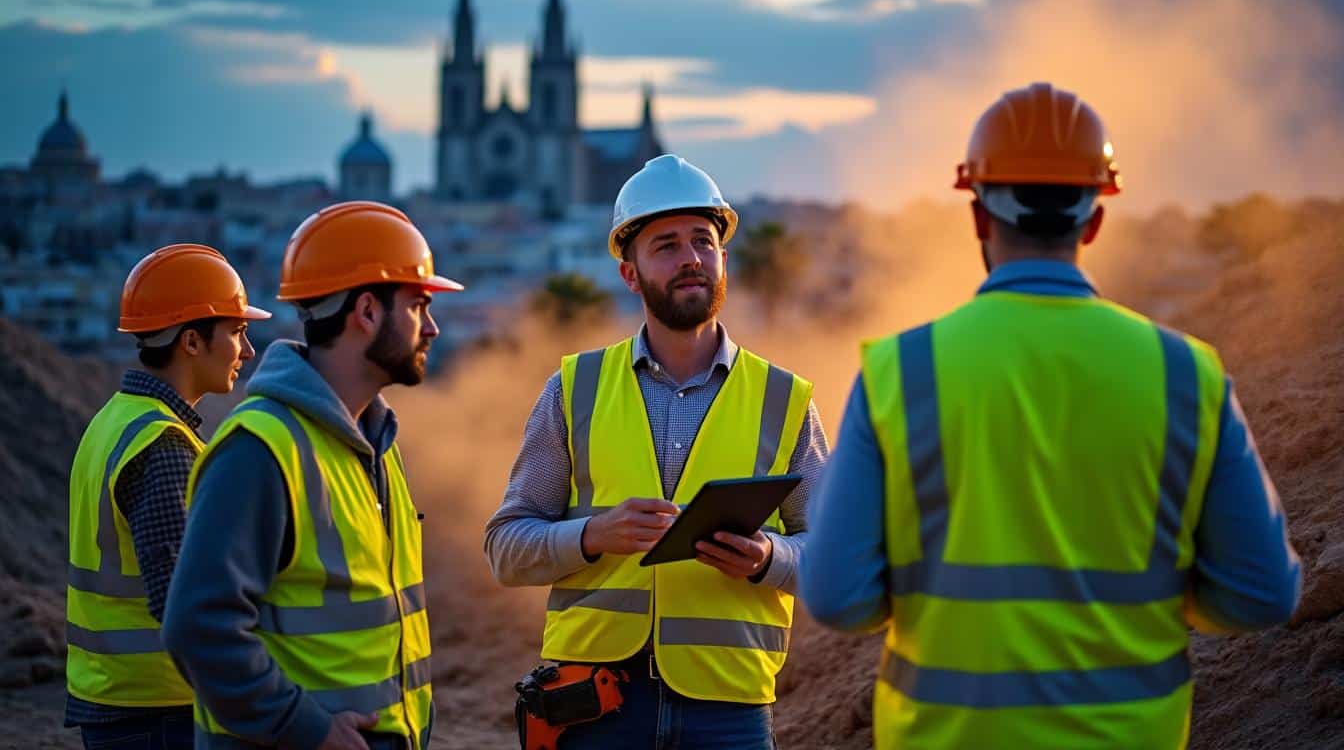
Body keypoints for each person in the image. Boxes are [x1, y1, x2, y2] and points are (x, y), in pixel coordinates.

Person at [800, 82, 1302, 749]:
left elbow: (837, 597)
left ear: (978, 216)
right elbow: (1261, 594)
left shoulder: (901, 371)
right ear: (1093, 220)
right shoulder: (1187, 375)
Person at [485, 154, 829, 749]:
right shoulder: (574, 390)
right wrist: (593, 536)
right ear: (630, 273)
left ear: (724, 259)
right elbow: (505, 549)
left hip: (730, 713)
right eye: (665, 245)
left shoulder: (785, 400)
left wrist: (767, 557)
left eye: (703, 240)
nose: (691, 257)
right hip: (594, 707)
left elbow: (831, 555)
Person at [162, 202, 462, 750]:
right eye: (419, 305)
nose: (433, 327)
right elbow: (199, 627)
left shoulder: (376, 442)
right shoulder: (259, 449)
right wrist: (309, 729)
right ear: (367, 311)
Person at [66, 244, 270, 749]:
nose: (247, 351)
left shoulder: (114, 420)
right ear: (193, 341)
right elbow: (187, 606)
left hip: (120, 701)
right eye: (237, 332)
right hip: (158, 713)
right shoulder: (163, 447)